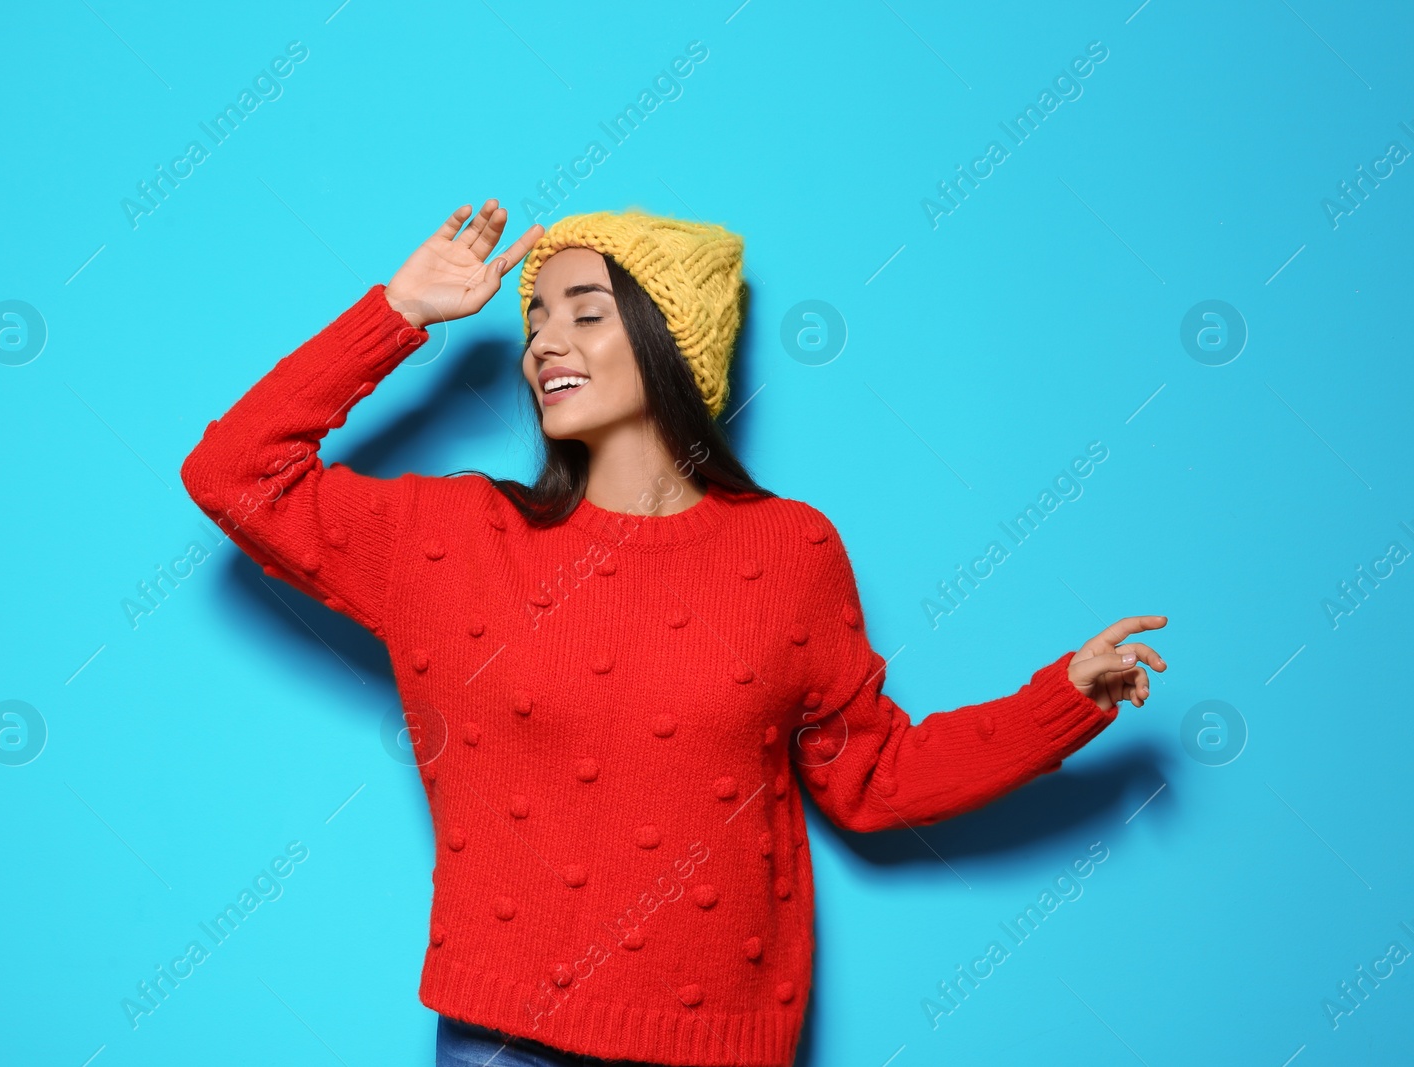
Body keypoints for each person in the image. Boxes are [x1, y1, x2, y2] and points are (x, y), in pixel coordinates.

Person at [179, 199, 1168, 1067]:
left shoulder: (790, 548)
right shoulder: (455, 538)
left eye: (584, 313)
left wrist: (1060, 701)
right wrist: (399, 314)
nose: (543, 343)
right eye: (533, 318)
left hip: (720, 1045)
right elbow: (235, 472)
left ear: (669, 338)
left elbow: (873, 778)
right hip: (502, 1042)